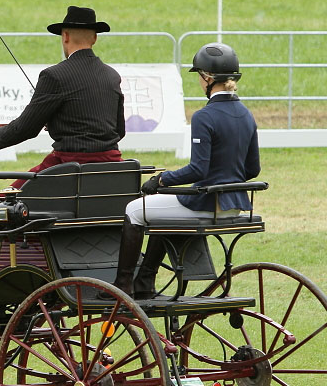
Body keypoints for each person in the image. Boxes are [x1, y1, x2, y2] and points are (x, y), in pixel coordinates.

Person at [0, 5, 125, 280]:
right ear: (94, 38)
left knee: (5, 205)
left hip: (67, 169)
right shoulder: (111, 76)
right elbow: (118, 130)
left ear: (65, 36)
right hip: (112, 169)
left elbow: (25, 128)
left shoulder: (54, 76)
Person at [111, 42, 261, 299]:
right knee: (158, 211)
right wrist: (226, 182)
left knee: (135, 210)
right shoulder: (246, 115)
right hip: (235, 206)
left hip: (206, 203)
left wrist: (161, 179)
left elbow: (198, 170)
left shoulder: (205, 116)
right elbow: (252, 169)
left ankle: (122, 285)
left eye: (200, 77)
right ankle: (144, 280)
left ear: (208, 78)